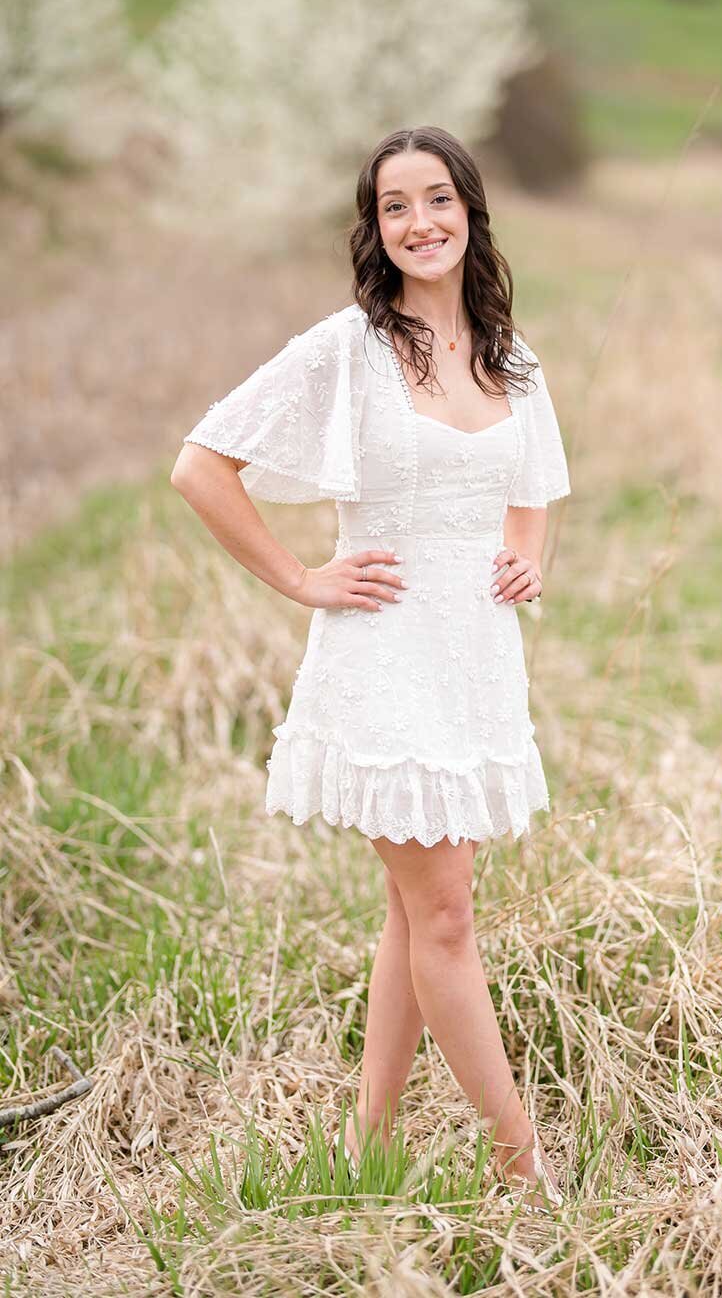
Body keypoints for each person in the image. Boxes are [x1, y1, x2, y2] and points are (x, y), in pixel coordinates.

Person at [170, 125, 571, 1210]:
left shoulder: (507, 352)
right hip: (384, 648)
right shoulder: (345, 349)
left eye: (436, 199)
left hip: (475, 656)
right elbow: (201, 465)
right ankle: (519, 1161)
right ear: (376, 229)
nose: (420, 222)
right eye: (395, 206)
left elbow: (531, 481)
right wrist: (302, 577)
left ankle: (369, 1139)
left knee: (416, 908)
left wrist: (524, 558)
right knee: (444, 916)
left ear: (469, 212)